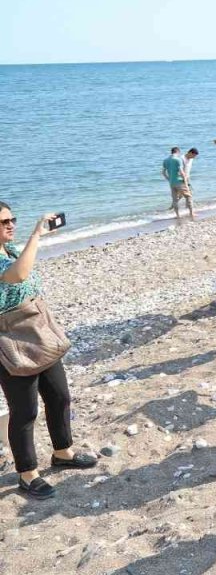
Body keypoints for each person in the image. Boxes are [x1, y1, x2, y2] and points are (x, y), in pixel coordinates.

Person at [0, 202, 96, 499]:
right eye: (3, 222)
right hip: (11, 339)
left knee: (59, 396)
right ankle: (27, 475)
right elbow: (17, 276)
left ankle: (63, 453)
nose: (10, 225)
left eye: (12, 219)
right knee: (25, 410)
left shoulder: (11, 249)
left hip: (38, 330)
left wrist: (32, 237)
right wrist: (37, 234)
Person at [161, 146, 194, 221]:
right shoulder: (178, 159)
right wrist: (185, 183)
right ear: (177, 152)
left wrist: (169, 179)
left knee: (175, 200)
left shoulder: (165, 160)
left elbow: (163, 172)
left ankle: (178, 215)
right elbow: (182, 172)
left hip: (172, 183)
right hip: (179, 181)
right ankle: (191, 214)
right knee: (188, 196)